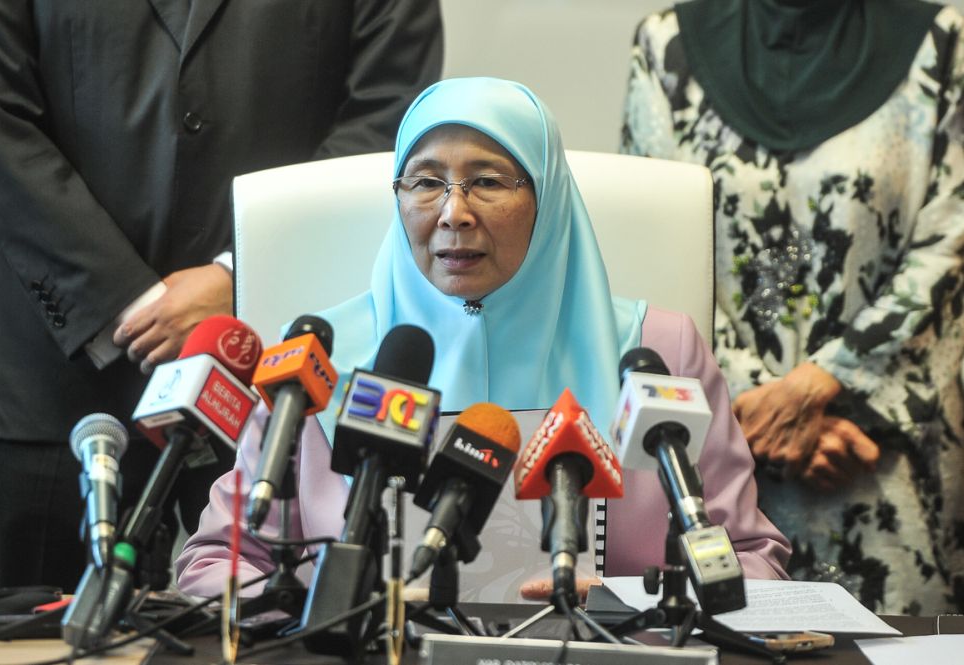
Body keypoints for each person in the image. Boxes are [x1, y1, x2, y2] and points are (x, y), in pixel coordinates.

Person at [175, 76, 790, 601]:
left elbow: (753, 556)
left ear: (546, 198)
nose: (452, 213)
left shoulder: (658, 351)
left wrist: (627, 601)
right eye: (424, 182)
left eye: (488, 181)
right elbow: (214, 563)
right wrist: (325, 605)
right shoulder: (319, 359)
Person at [0, 1, 443, 592]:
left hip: (276, 382)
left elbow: (391, 118)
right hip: (58, 377)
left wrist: (239, 275)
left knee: (276, 637)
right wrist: (128, 301)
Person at [621, 0, 964, 614]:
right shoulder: (667, 47)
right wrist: (759, 408)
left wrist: (820, 388)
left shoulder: (940, 45)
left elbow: (949, 243)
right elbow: (656, 245)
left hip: (877, 453)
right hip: (724, 461)